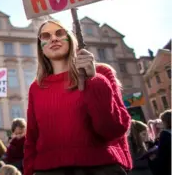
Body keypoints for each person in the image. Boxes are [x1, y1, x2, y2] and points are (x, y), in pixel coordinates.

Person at [23, 20, 132, 175]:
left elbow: (113, 130)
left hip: (100, 168)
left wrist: (93, 80)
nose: (53, 38)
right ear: (40, 46)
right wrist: (29, 171)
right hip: (49, 171)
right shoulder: (36, 87)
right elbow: (32, 137)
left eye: (59, 33)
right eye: (46, 36)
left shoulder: (101, 73)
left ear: (71, 38)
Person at [150, 110, 171, 175]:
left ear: (166, 121)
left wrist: (154, 158)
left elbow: (163, 153)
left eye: (162, 121)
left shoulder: (165, 134)